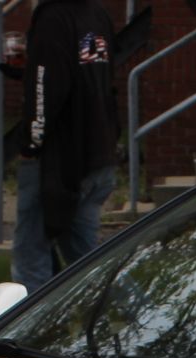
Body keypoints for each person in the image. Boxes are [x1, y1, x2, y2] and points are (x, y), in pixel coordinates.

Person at [13, 0, 119, 291]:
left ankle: (30, 333)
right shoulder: (97, 15)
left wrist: (31, 145)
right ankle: (136, 317)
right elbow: (96, 78)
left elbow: (45, 91)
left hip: (59, 162)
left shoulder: (52, 18)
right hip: (98, 153)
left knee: (30, 257)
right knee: (87, 262)